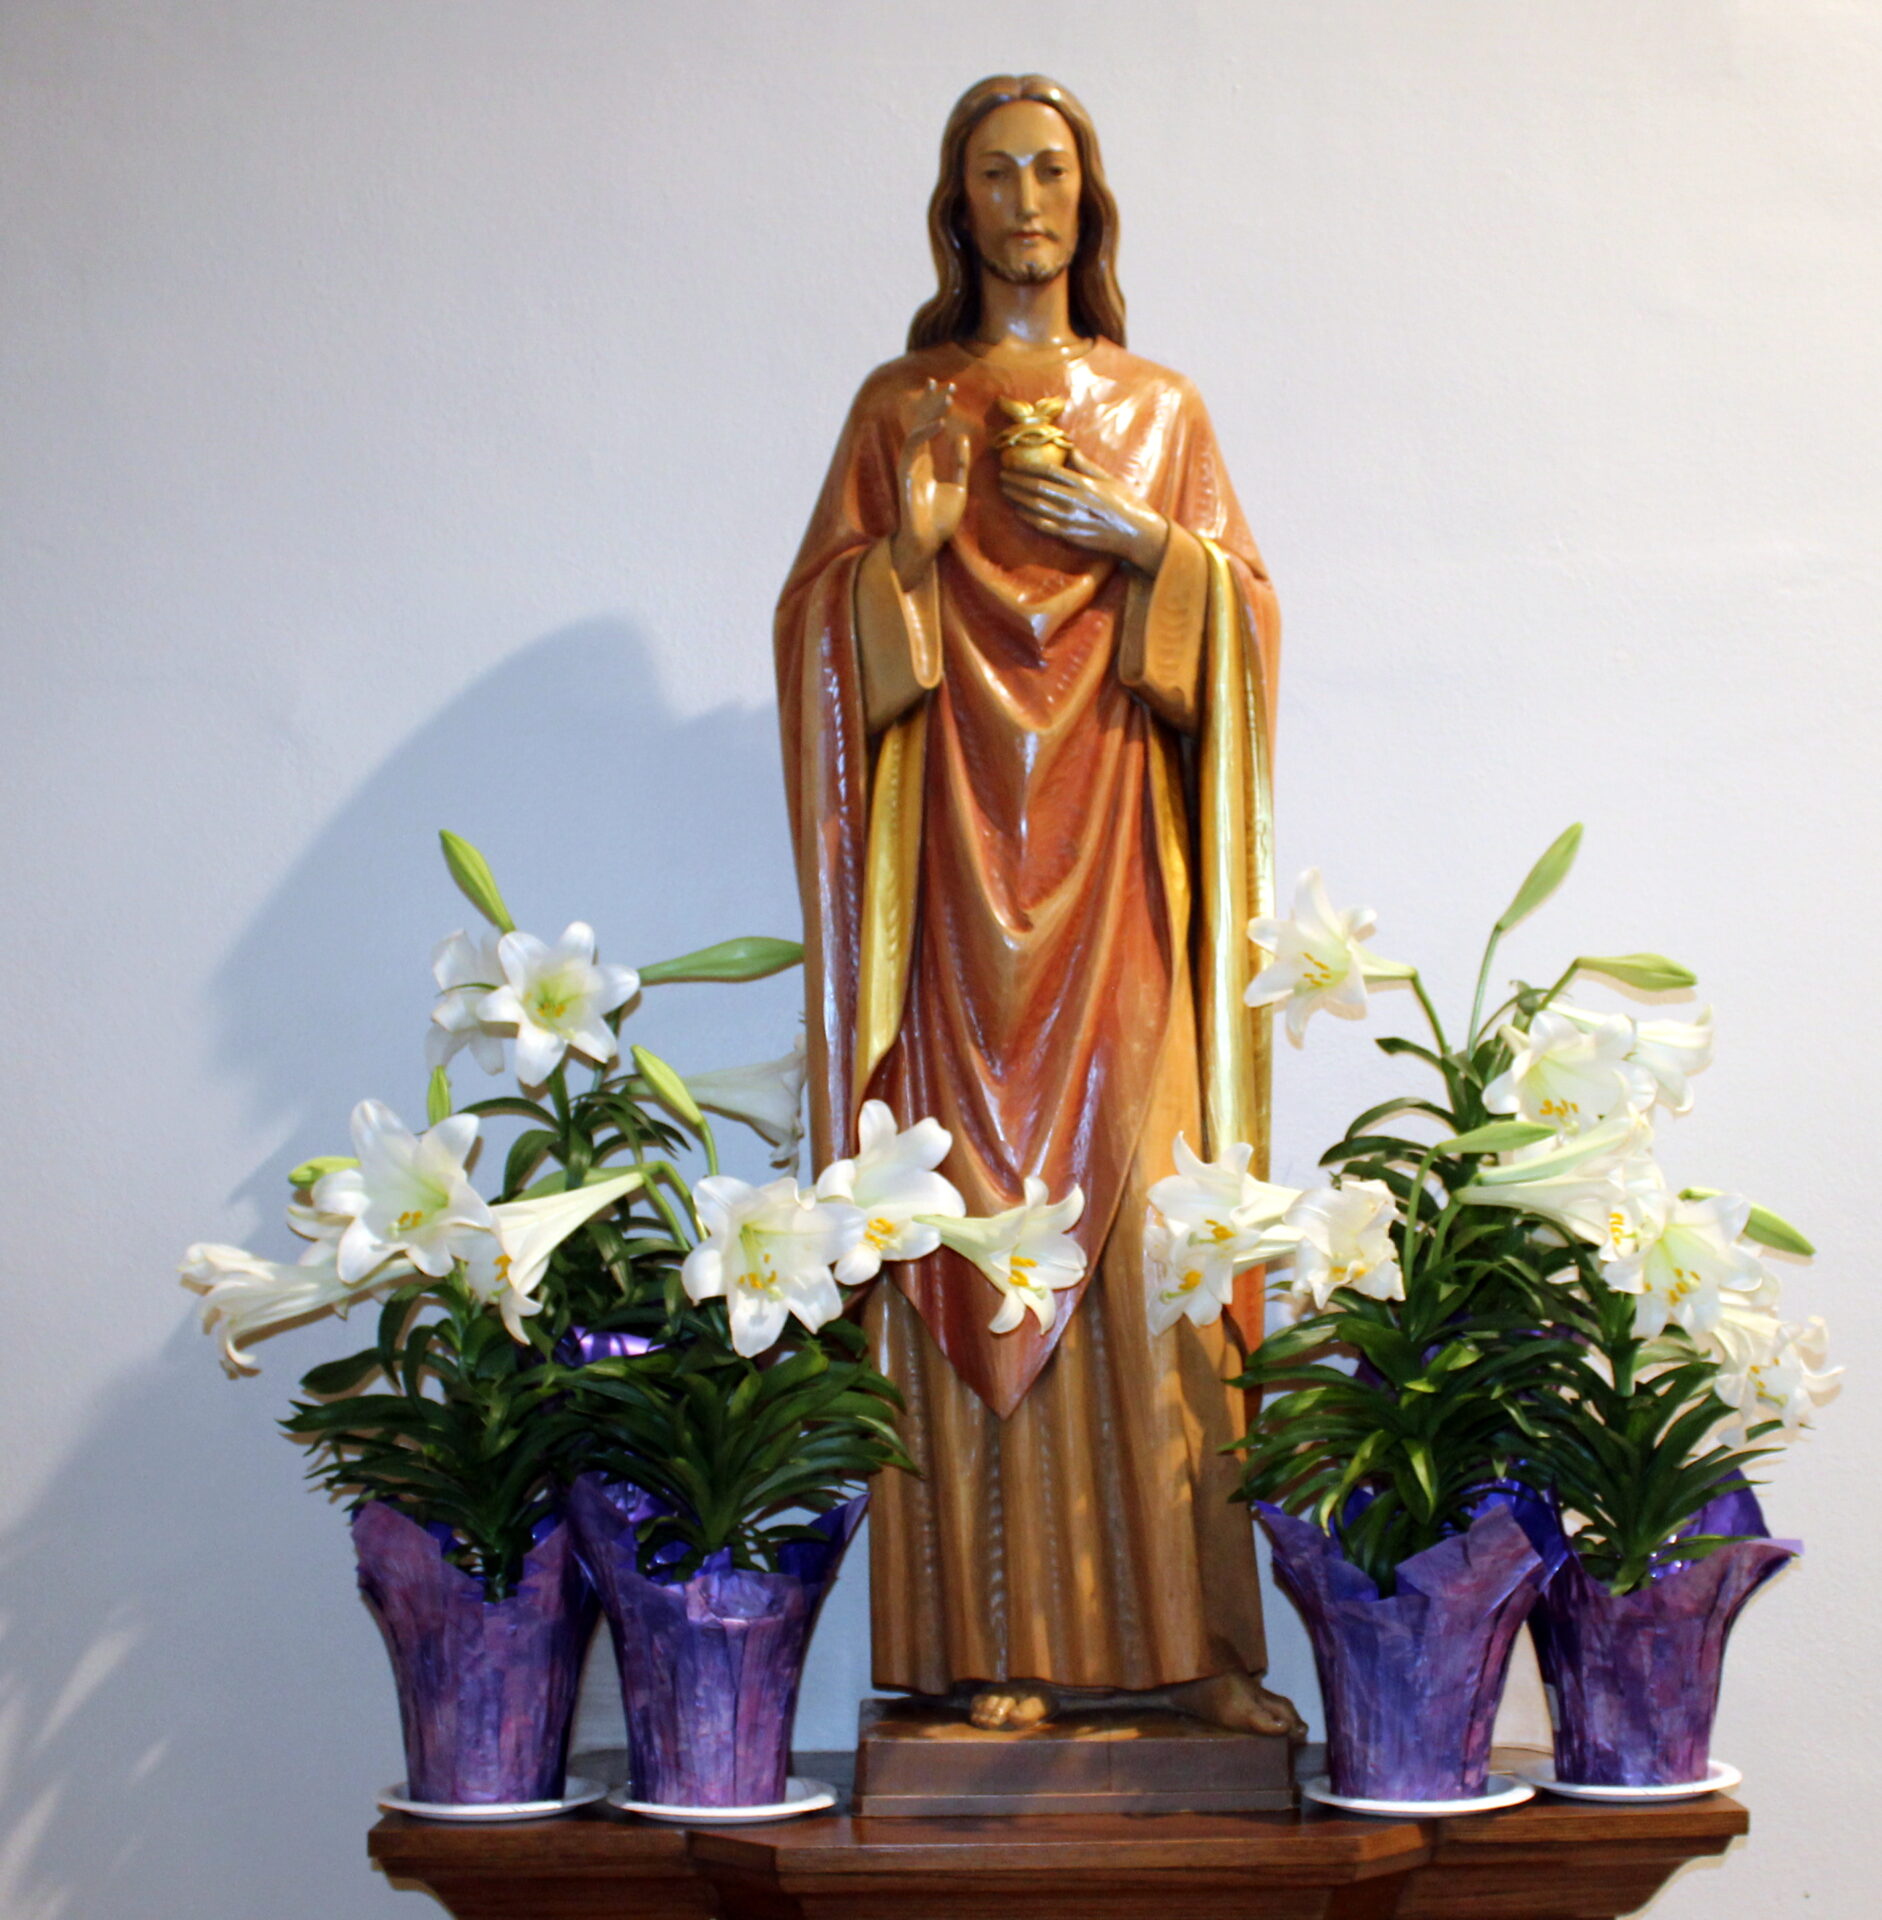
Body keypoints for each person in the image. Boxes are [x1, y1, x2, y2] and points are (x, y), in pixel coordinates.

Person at [775, 73, 1299, 1735]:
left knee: (1150, 1229)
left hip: (1119, 893)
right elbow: (817, 645)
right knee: (967, 1229)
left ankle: (1193, 1651)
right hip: (951, 913)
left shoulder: (1162, 409)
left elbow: (1247, 638)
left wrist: (1150, 549)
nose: (1024, 197)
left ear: (1089, 199)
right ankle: (989, 1644)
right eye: (993, 171)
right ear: (955, 203)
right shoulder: (899, 407)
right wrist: (908, 553)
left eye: (1050, 168)